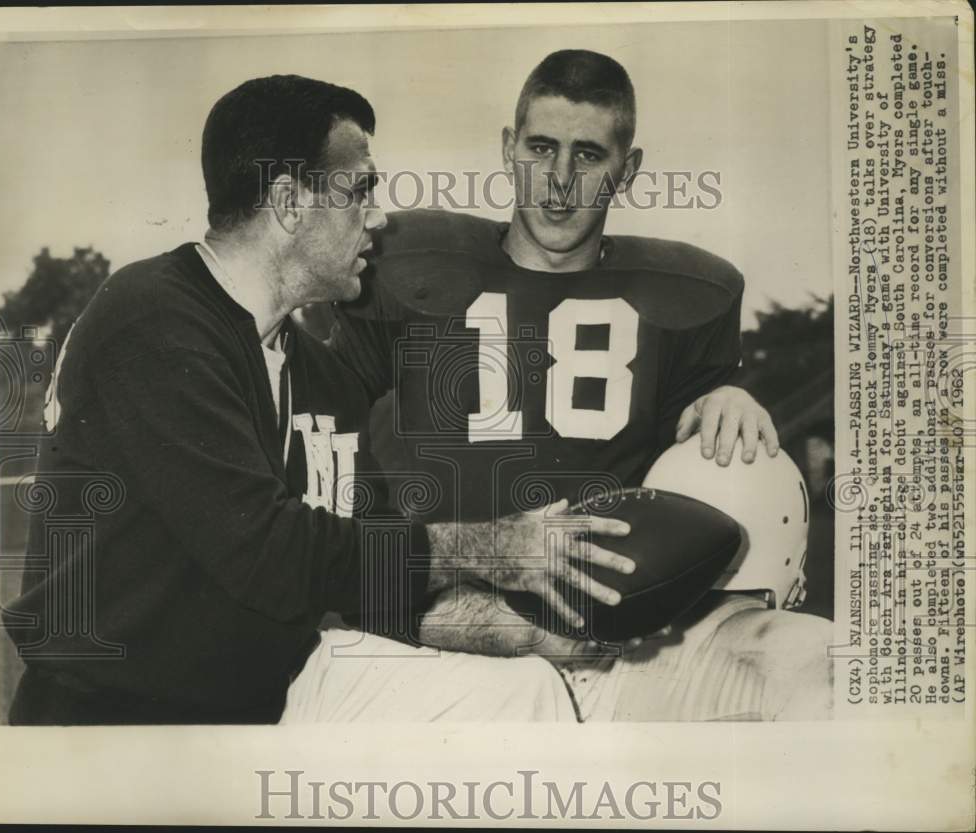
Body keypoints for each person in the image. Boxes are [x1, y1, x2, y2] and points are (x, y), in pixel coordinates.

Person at [2, 74, 635, 725]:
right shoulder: (152, 318)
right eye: (359, 190)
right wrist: (497, 546)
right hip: (112, 725)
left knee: (525, 690)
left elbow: (379, 583)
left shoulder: (323, 377)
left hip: (260, 704)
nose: (378, 216)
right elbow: (269, 553)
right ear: (289, 202)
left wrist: (529, 634)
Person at [284, 50, 832, 722]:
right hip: (437, 632)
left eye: (589, 154)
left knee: (824, 663)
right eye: (542, 148)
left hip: (611, 649)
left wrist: (725, 396)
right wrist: (476, 619)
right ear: (508, 149)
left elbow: (693, 487)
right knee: (518, 699)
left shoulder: (687, 300)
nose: (561, 181)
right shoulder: (406, 265)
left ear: (628, 169)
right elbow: (325, 480)